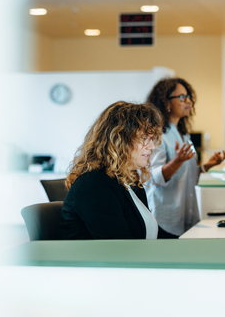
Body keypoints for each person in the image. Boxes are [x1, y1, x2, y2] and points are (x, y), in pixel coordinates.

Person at [59, 101, 164, 240]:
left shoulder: (128, 179)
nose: (151, 146)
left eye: (152, 139)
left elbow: (151, 232)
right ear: (119, 140)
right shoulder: (95, 185)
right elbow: (120, 249)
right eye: (144, 138)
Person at [144, 78, 225, 238]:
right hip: (165, 219)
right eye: (182, 97)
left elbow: (186, 174)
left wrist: (208, 165)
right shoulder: (158, 135)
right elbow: (154, 177)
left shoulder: (183, 134)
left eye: (189, 96)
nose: (188, 100)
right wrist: (177, 161)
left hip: (185, 214)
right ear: (166, 102)